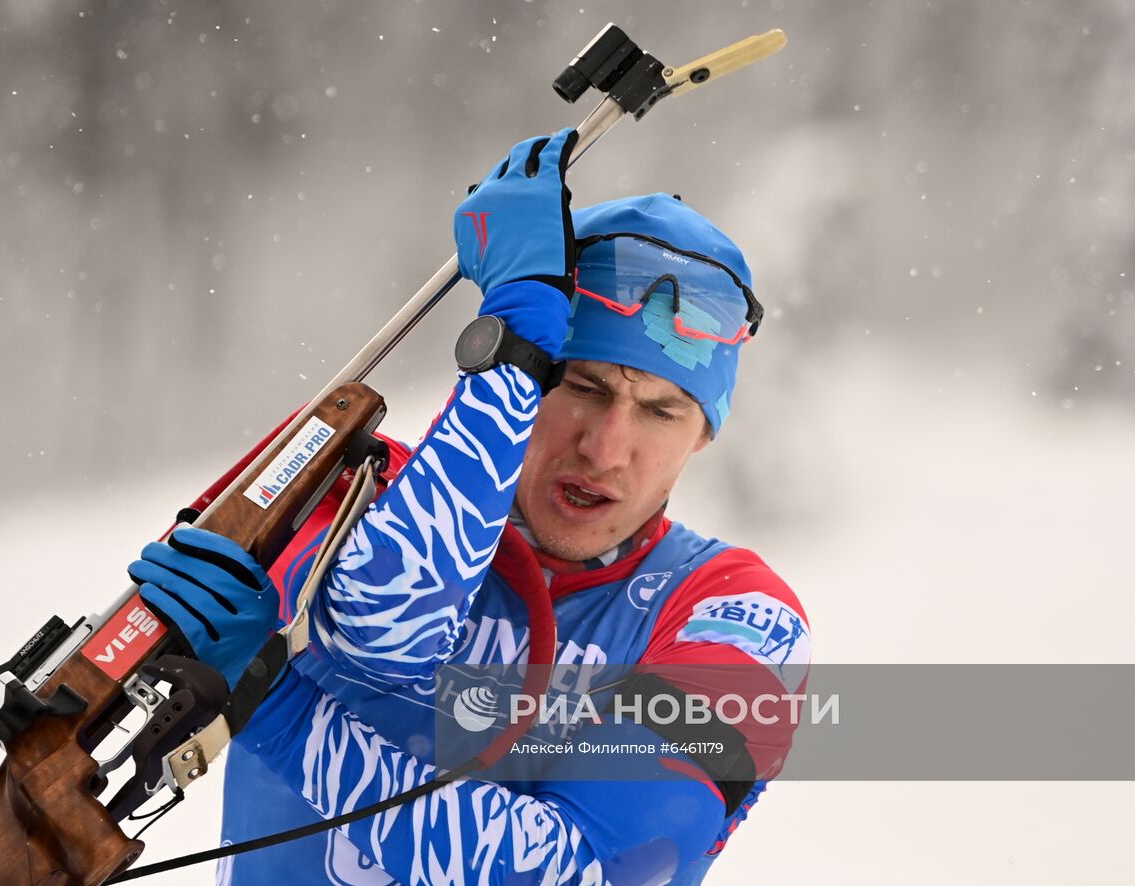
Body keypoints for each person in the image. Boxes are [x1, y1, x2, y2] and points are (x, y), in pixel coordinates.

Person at [128, 128, 811, 885]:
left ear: (704, 439)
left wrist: (277, 711)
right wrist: (512, 355)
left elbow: (572, 871)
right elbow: (386, 630)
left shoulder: (739, 614)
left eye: (662, 411)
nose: (606, 448)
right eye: (580, 386)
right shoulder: (350, 485)